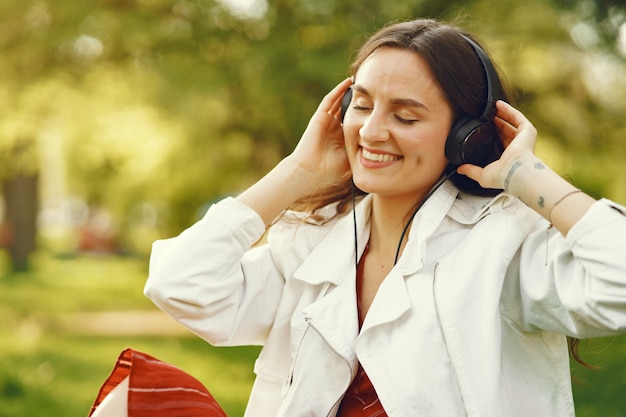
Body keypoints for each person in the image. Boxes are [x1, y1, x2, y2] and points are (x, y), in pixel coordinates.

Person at [144, 18, 626, 417]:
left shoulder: (506, 242)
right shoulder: (316, 238)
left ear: (468, 136)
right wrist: (297, 171)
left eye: (406, 116)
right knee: (134, 398)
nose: (372, 131)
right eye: (362, 105)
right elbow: (181, 285)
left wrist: (525, 175)